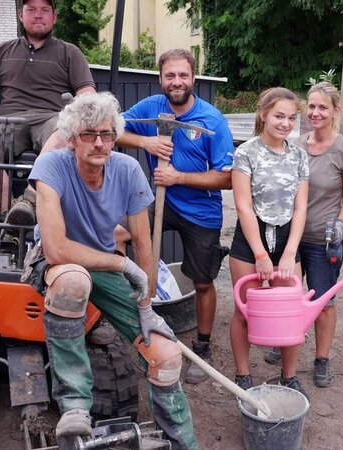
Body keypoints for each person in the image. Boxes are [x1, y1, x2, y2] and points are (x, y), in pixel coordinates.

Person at [27, 92, 198, 449]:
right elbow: (57, 248)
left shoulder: (127, 169)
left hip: (101, 267)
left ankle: (182, 443)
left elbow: (143, 240)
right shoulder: (52, 167)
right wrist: (122, 263)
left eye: (106, 134)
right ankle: (74, 405)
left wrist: (147, 302)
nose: (100, 143)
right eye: (89, 135)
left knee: (165, 355)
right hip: (57, 265)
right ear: (72, 138)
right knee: (73, 281)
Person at [115, 49, 235, 384]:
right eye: (170, 75)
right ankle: (131, 316)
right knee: (115, 236)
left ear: (193, 77)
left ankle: (204, 344)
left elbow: (226, 177)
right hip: (159, 203)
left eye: (183, 75)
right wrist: (147, 142)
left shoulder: (212, 119)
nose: (177, 82)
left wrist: (178, 177)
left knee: (202, 281)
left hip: (201, 210)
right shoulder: (152, 107)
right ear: (161, 78)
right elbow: (113, 129)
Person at [0, 0, 96, 226]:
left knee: (66, 132)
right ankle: (10, 215)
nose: (38, 15)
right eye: (31, 10)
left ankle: (29, 199)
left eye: (44, 10)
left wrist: (85, 107)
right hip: (9, 120)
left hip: (51, 117)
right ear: (21, 15)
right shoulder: (2, 51)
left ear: (54, 17)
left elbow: (86, 91)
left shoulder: (70, 52)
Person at [263, 82, 343, 388]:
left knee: (323, 301)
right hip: (289, 236)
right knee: (289, 296)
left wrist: (341, 223)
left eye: (323, 107)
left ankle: (322, 359)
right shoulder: (295, 145)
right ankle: (286, 343)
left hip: (324, 239)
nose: (316, 113)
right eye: (312, 107)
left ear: (335, 111)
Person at [228, 87, 309, 398]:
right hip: (251, 238)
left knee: (291, 310)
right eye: (279, 116)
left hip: (287, 236)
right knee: (243, 308)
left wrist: (289, 253)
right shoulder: (246, 153)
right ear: (262, 115)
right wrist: (261, 253)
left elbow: (301, 206)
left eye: (291, 118)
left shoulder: (299, 155)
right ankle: (243, 374)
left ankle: (288, 376)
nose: (285, 123)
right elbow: (243, 205)